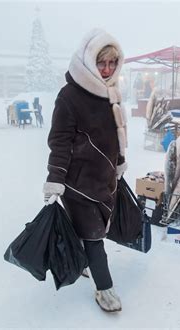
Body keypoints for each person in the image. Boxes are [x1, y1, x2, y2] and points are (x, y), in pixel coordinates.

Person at [43, 29, 127, 313]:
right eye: (101, 63)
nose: (106, 69)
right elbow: (59, 141)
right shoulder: (69, 96)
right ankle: (105, 290)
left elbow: (116, 135)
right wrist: (55, 180)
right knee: (94, 236)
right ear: (89, 62)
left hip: (105, 179)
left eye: (112, 63)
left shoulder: (111, 92)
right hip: (78, 182)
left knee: (93, 229)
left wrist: (119, 161)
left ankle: (80, 262)